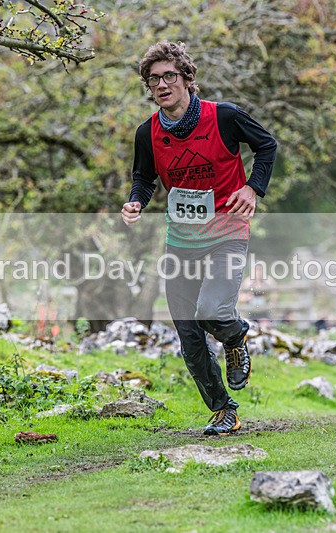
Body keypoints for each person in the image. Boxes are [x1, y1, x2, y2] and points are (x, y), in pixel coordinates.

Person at [121, 41, 277, 435]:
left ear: (187, 78)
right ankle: (223, 409)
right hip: (181, 241)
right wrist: (135, 202)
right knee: (189, 333)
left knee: (212, 309)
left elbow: (267, 146)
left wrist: (252, 188)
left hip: (227, 232)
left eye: (168, 76)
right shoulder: (148, 133)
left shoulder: (224, 117)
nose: (161, 84)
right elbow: (144, 177)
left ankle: (235, 336)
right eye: (153, 79)